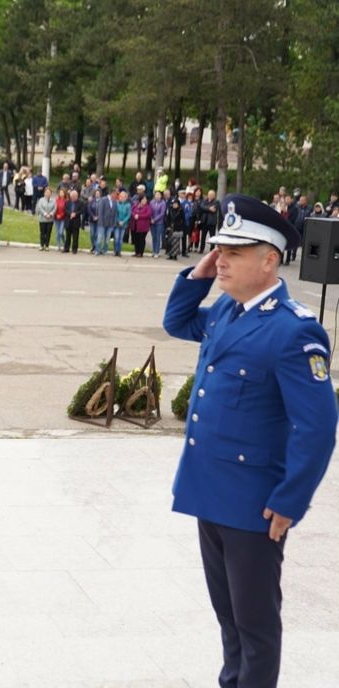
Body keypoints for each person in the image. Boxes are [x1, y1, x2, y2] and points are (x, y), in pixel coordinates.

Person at [162, 194, 337, 688]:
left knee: (255, 626)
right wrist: (199, 275)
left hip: (254, 505)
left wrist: (289, 501)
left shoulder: (293, 332)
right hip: (209, 492)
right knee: (229, 619)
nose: (220, 260)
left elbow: (318, 427)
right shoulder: (227, 311)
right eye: (219, 250)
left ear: (269, 261)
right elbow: (177, 322)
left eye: (233, 253)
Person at [63, 189, 83, 254]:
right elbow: (65, 210)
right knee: (67, 236)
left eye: (74, 196)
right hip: (68, 221)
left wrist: (75, 214)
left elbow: (81, 210)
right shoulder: (67, 202)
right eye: (72, 196)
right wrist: (70, 214)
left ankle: (74, 249)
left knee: (75, 237)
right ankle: (66, 248)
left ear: (77, 196)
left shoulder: (80, 202)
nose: (73, 198)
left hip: (76, 222)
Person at [35, 187, 54, 251]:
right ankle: (41, 245)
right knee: (42, 233)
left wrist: (51, 214)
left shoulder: (53, 201)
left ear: (51, 193)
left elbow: (55, 208)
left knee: (48, 233)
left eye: (49, 192)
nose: (48, 193)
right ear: (44, 193)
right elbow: (40, 208)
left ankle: (47, 245)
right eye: (47, 192)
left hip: (50, 219)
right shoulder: (41, 200)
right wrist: (45, 214)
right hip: (42, 219)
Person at [149, 191, 167, 259]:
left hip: (159, 223)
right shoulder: (152, 202)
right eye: (156, 195)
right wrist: (151, 219)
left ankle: (157, 252)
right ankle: (154, 251)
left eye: (158, 195)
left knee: (157, 237)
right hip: (152, 222)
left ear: (161, 196)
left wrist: (155, 219)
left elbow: (162, 213)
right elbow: (150, 211)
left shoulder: (163, 203)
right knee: (153, 237)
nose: (157, 196)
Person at [114, 190, 131, 257]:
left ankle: (119, 251)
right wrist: (118, 221)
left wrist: (123, 221)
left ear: (126, 197)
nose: (121, 198)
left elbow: (128, 215)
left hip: (124, 224)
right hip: (117, 224)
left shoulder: (128, 205)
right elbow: (115, 213)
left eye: (123, 197)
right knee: (116, 237)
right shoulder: (116, 203)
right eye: (120, 196)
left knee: (120, 239)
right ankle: (116, 251)